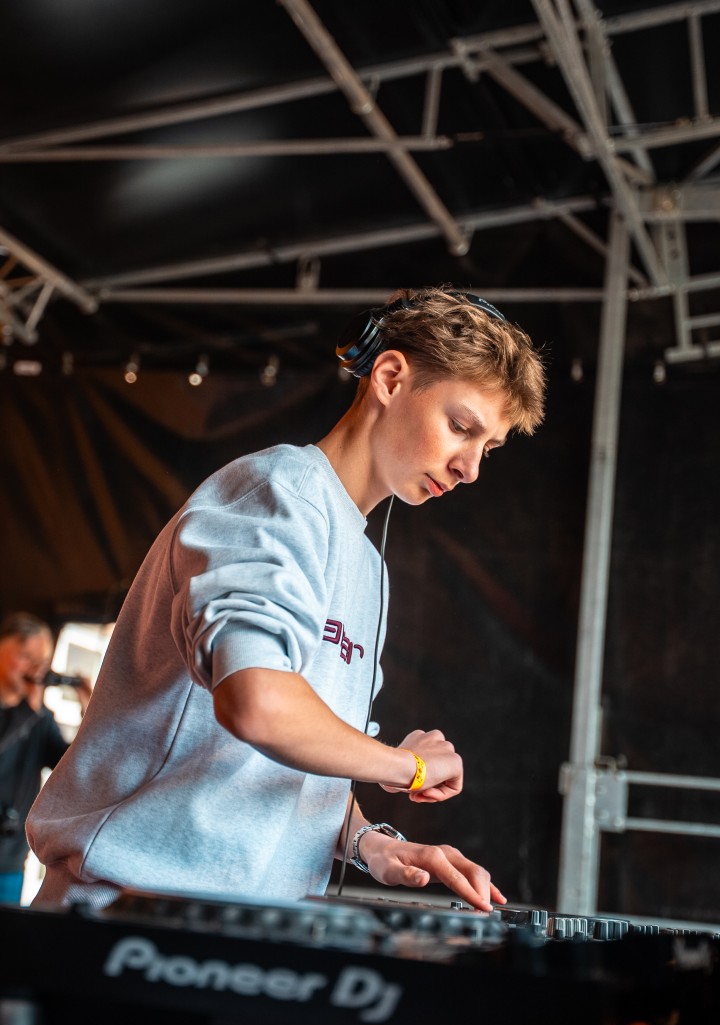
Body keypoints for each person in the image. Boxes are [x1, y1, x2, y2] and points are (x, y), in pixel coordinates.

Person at [26, 285, 546, 914]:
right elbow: (258, 705)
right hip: (124, 917)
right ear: (389, 378)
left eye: (488, 448)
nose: (471, 468)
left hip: (237, 927)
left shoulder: (369, 568)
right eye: (461, 427)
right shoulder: (277, 494)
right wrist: (404, 766)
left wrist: (371, 843)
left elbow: (278, 761)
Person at [0, 611, 92, 904]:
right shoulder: (32, 713)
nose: (34, 670)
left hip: (9, 860)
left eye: (40, 662)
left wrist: (90, 715)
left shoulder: (40, 719)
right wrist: (30, 709)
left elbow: (71, 768)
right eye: (25, 657)